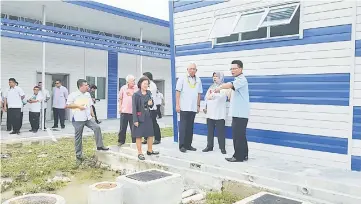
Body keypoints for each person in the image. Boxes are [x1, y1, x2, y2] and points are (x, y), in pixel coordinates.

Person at [66, 79, 109, 165]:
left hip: (87, 118)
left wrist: (92, 114)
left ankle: (100, 146)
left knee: (97, 127)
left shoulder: (87, 94)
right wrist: (78, 106)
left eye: (87, 85)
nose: (87, 87)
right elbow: (68, 105)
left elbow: (90, 105)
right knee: (78, 138)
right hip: (78, 119)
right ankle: (78, 156)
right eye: (86, 85)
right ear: (81, 86)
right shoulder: (73, 95)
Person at [214, 60, 250, 162]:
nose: (232, 70)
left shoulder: (241, 79)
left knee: (237, 135)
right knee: (241, 135)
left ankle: (238, 157)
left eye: (235, 68)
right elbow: (232, 91)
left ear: (241, 69)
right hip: (240, 113)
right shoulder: (238, 80)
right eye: (231, 69)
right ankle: (244, 155)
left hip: (240, 113)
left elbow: (230, 85)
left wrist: (219, 87)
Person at [176, 62, 203, 153]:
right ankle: (182, 145)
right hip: (184, 106)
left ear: (196, 70)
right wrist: (177, 105)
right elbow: (178, 92)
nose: (192, 70)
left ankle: (188, 145)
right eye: (190, 68)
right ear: (187, 69)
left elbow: (199, 93)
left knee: (190, 127)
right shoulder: (182, 78)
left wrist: (198, 105)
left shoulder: (198, 79)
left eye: (194, 69)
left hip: (193, 107)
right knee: (183, 126)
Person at [202, 72, 230, 155]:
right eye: (213, 76)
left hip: (219, 114)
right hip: (210, 113)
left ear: (221, 77)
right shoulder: (211, 87)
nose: (214, 78)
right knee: (210, 131)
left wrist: (213, 95)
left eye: (216, 76)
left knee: (221, 132)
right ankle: (209, 146)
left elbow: (223, 96)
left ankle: (222, 148)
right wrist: (205, 107)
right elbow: (206, 98)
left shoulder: (224, 87)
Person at [132, 77, 159, 160]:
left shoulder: (149, 93)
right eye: (144, 84)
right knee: (139, 135)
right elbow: (134, 108)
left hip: (148, 116)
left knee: (150, 134)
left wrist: (150, 104)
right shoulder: (136, 95)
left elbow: (151, 103)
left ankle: (150, 150)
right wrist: (135, 120)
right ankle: (140, 153)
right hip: (139, 117)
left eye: (147, 84)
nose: (146, 85)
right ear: (140, 84)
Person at [142, 72, 161, 145]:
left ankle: (157, 138)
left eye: (144, 77)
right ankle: (146, 138)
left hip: (152, 108)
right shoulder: (147, 85)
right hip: (146, 108)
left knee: (153, 123)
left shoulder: (152, 85)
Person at [118, 74, 137, 145]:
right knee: (122, 128)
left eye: (134, 80)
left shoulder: (136, 88)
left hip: (133, 112)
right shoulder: (123, 88)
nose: (134, 82)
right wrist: (120, 107)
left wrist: (132, 94)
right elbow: (120, 99)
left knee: (134, 128)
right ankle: (121, 141)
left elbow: (138, 98)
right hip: (124, 111)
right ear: (128, 81)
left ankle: (134, 141)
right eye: (133, 81)